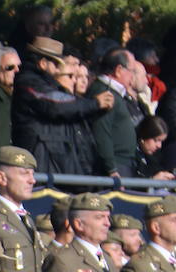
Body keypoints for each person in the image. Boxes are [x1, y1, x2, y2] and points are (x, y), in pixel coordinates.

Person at [11, 37, 112, 175]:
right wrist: (95, 103)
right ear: (43, 63)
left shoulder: (48, 85)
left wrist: (96, 110)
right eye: (56, 63)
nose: (60, 68)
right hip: (43, 168)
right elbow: (56, 105)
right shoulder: (28, 82)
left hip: (57, 167)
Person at [90, 47, 139, 177]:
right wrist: (111, 168)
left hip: (122, 164)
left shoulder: (115, 93)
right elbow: (101, 131)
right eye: (132, 71)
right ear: (119, 70)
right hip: (115, 167)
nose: (133, 77)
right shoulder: (105, 93)